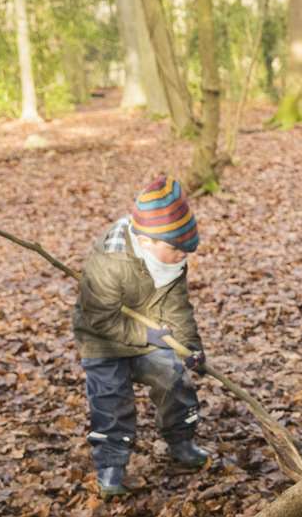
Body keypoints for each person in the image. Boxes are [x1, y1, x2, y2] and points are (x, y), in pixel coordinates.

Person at [71, 176, 210, 496]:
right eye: (175, 249)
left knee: (173, 377)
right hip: (102, 338)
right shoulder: (112, 260)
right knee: (111, 399)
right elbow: (100, 319)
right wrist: (147, 335)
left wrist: (191, 346)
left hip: (149, 331)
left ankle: (181, 441)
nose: (181, 256)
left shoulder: (171, 258)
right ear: (147, 241)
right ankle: (111, 466)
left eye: (186, 250)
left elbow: (177, 306)